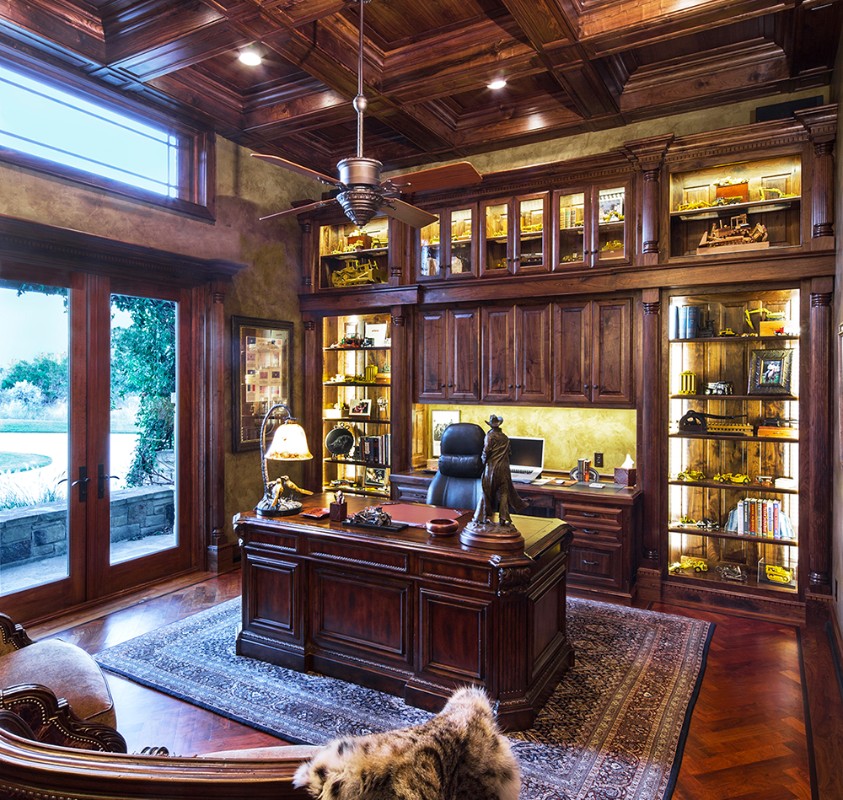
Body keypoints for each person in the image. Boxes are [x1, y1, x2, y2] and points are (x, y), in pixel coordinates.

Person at [472, 415, 524, 526]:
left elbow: (486, 451)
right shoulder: (505, 437)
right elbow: (509, 453)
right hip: (504, 469)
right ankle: (503, 519)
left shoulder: (490, 436)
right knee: (504, 494)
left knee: (485, 491)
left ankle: (481, 517)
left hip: (492, 469)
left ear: (490, 425)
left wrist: (482, 461)